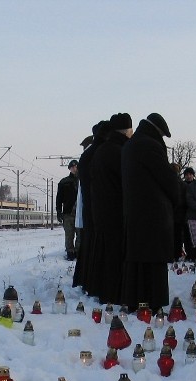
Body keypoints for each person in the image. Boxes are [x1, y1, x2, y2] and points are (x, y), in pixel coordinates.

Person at [120, 113, 180, 310]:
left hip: (135, 211)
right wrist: (177, 190)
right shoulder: (150, 145)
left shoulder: (131, 145)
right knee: (154, 260)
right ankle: (153, 301)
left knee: (137, 260)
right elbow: (164, 177)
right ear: (157, 131)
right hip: (153, 212)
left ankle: (135, 298)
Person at [89, 113, 132, 304]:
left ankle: (103, 291)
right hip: (116, 211)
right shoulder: (120, 151)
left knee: (104, 254)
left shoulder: (101, 150)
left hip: (101, 211)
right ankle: (113, 294)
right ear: (126, 131)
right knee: (115, 257)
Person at [74, 121, 111, 292]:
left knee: (88, 248)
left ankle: (84, 280)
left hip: (89, 209)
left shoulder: (88, 154)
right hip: (97, 209)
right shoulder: (98, 153)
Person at [55, 160, 79, 260]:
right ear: (69, 168)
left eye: (76, 167)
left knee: (80, 234)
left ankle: (78, 252)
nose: (74, 168)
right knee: (69, 234)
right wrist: (59, 211)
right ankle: (70, 252)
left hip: (80, 213)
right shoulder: (63, 182)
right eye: (72, 167)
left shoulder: (83, 181)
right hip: (68, 213)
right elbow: (59, 198)